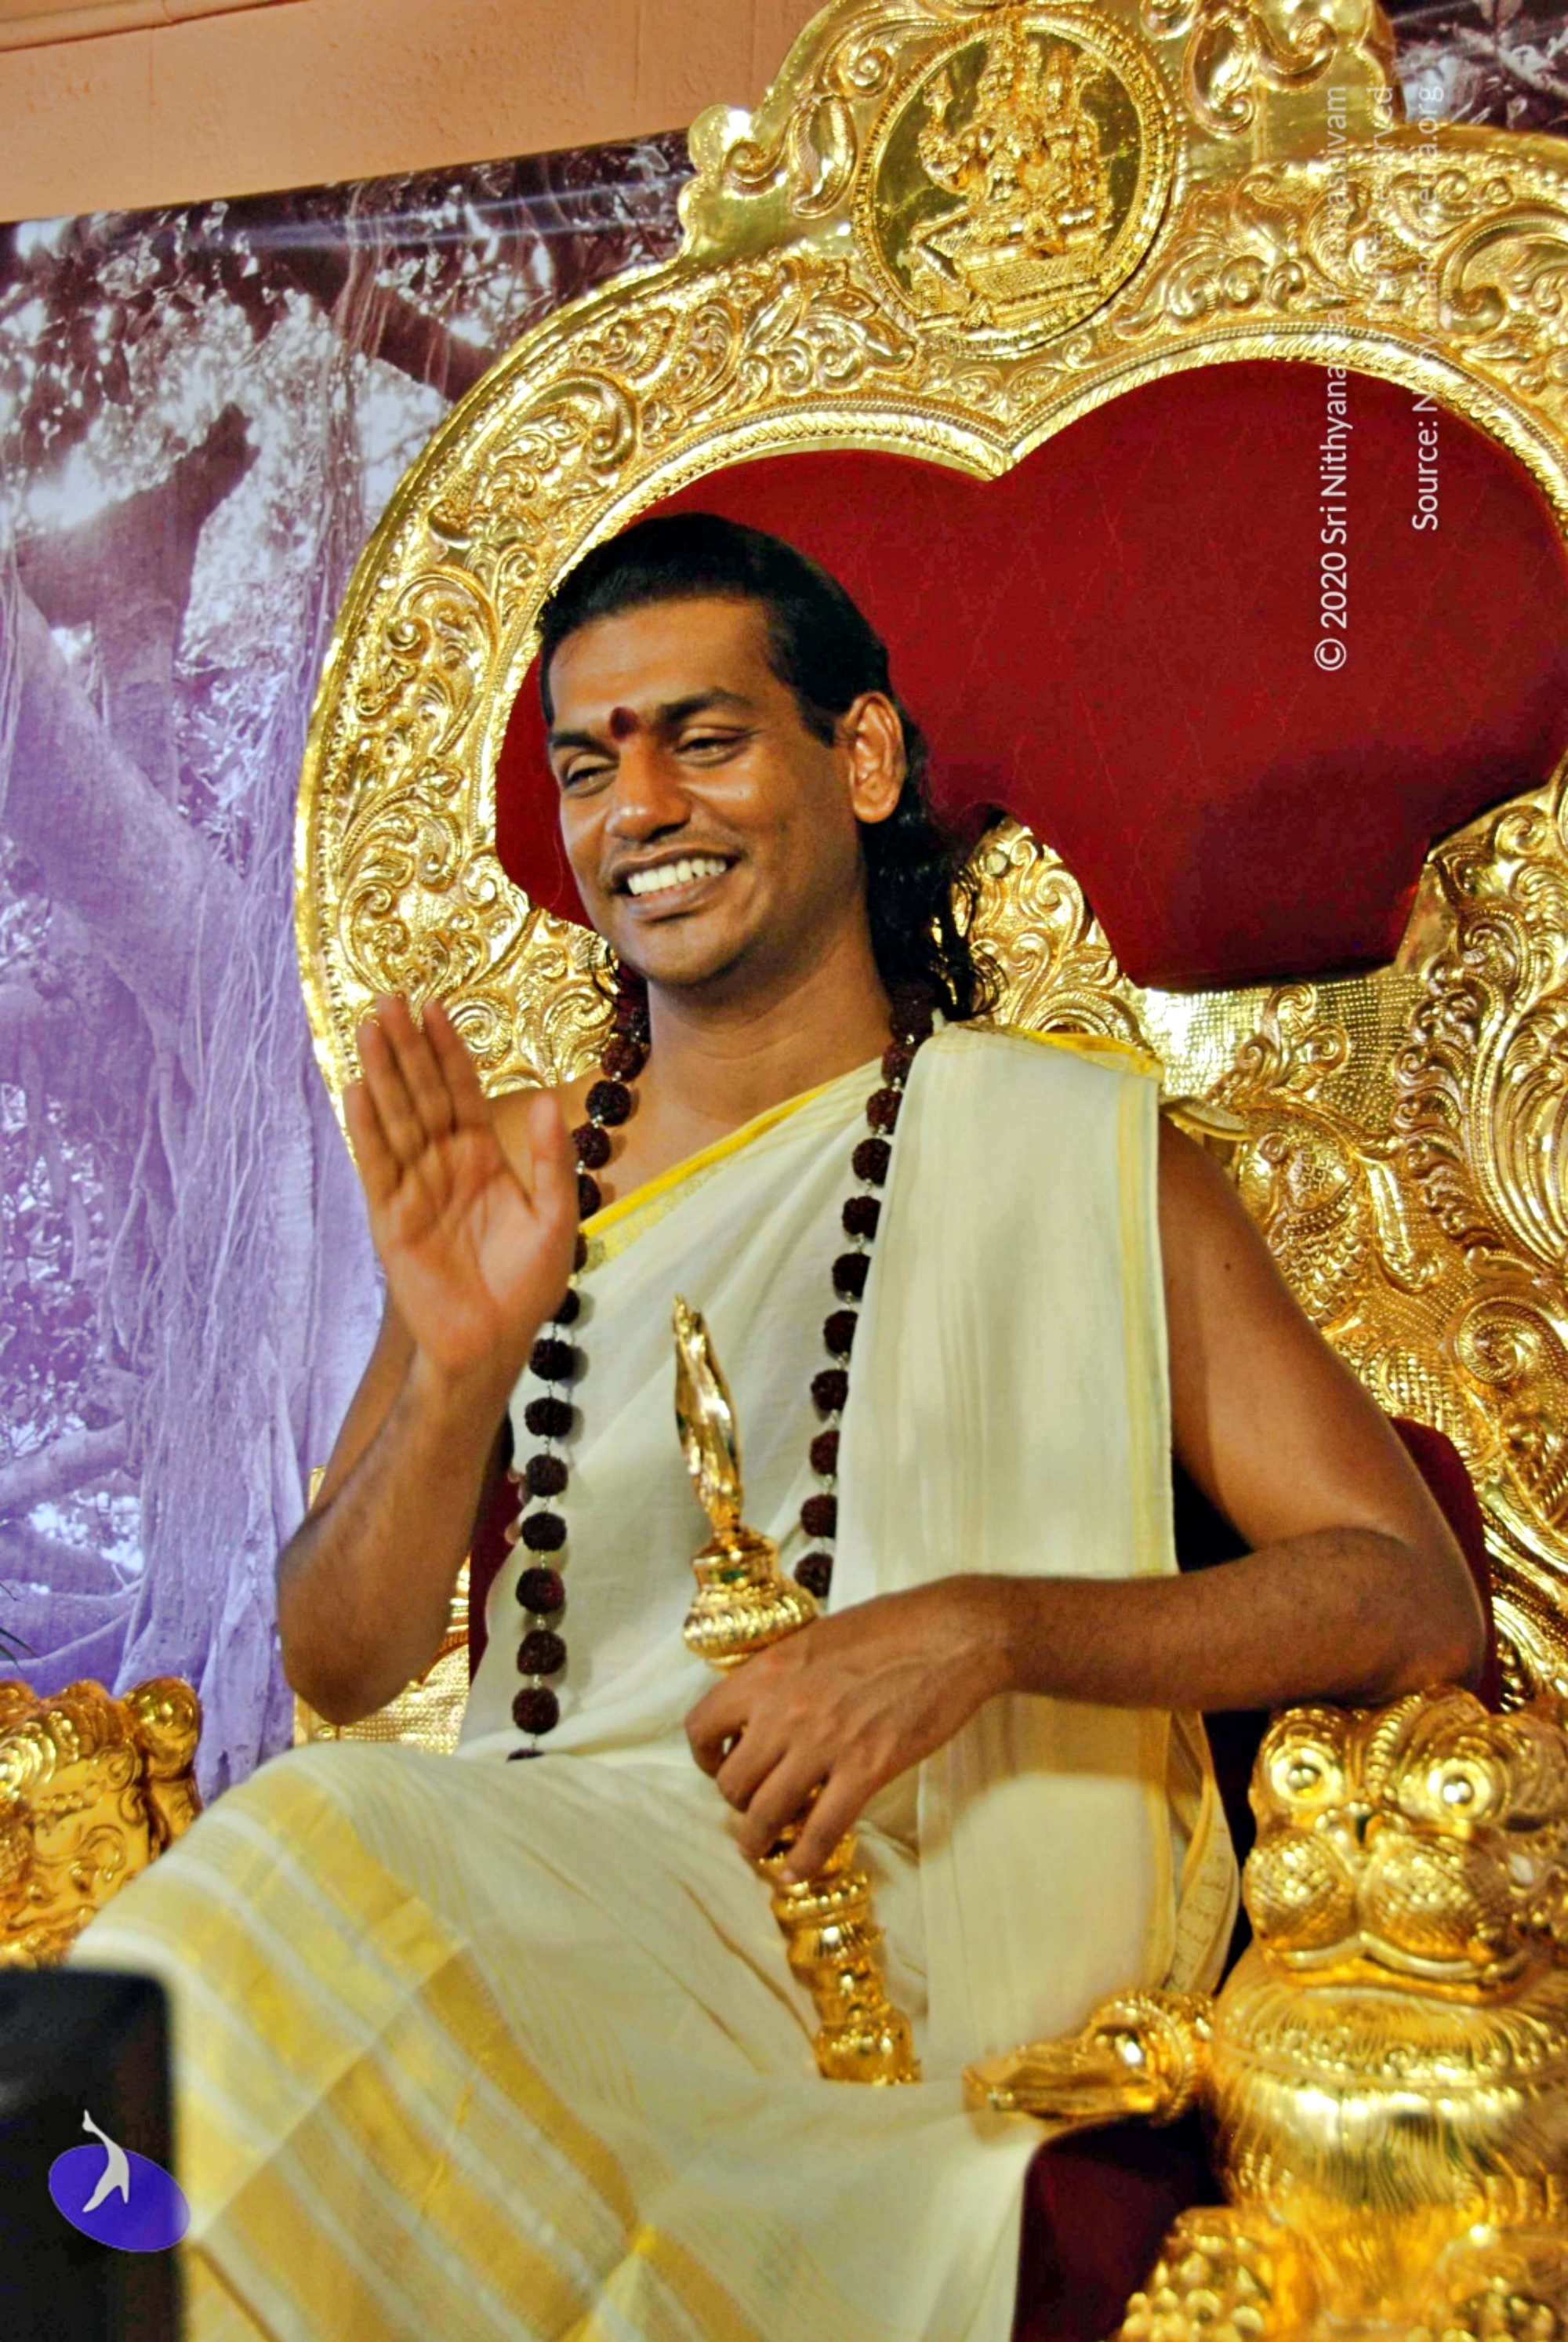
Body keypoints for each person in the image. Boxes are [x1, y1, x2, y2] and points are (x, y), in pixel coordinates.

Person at [69, 513, 1486, 2342]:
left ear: (863, 758)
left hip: (918, 1948)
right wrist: (458, 1370)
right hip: (539, 1887)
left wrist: (981, 1631)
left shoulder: (1073, 1157)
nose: (640, 809)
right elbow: (341, 1661)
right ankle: (81, 2253)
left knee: (290, 1891)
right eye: (590, 764)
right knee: (283, 1883)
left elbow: (1402, 1598)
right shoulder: (513, 1174)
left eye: (705, 738)